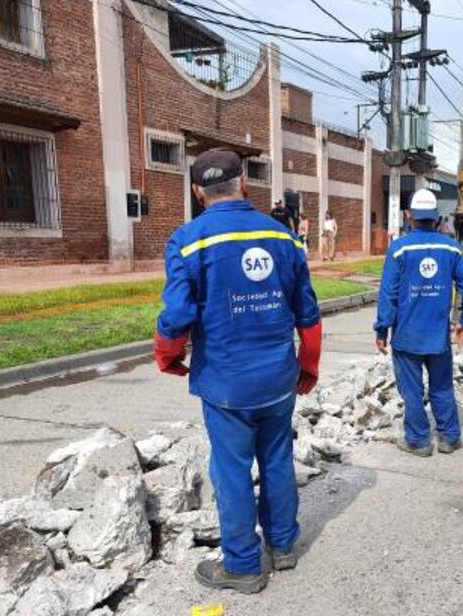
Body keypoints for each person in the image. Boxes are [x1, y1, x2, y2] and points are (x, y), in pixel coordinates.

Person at [153, 148, 322, 594]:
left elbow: (175, 316)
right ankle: (284, 545)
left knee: (230, 471)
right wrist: (308, 366)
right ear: (244, 183)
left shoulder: (188, 241)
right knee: (277, 459)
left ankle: (244, 566)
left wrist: (167, 357)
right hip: (277, 377)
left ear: (196, 192)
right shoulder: (283, 238)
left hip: (227, 382)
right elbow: (308, 313)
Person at [374, 189, 463, 456]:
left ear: (409, 216)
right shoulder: (451, 248)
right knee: (442, 387)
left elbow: (389, 293)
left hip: (407, 336)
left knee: (411, 391)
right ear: (436, 218)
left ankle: (419, 441)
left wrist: (382, 328)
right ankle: (449, 438)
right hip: (438, 338)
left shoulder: (399, 249)